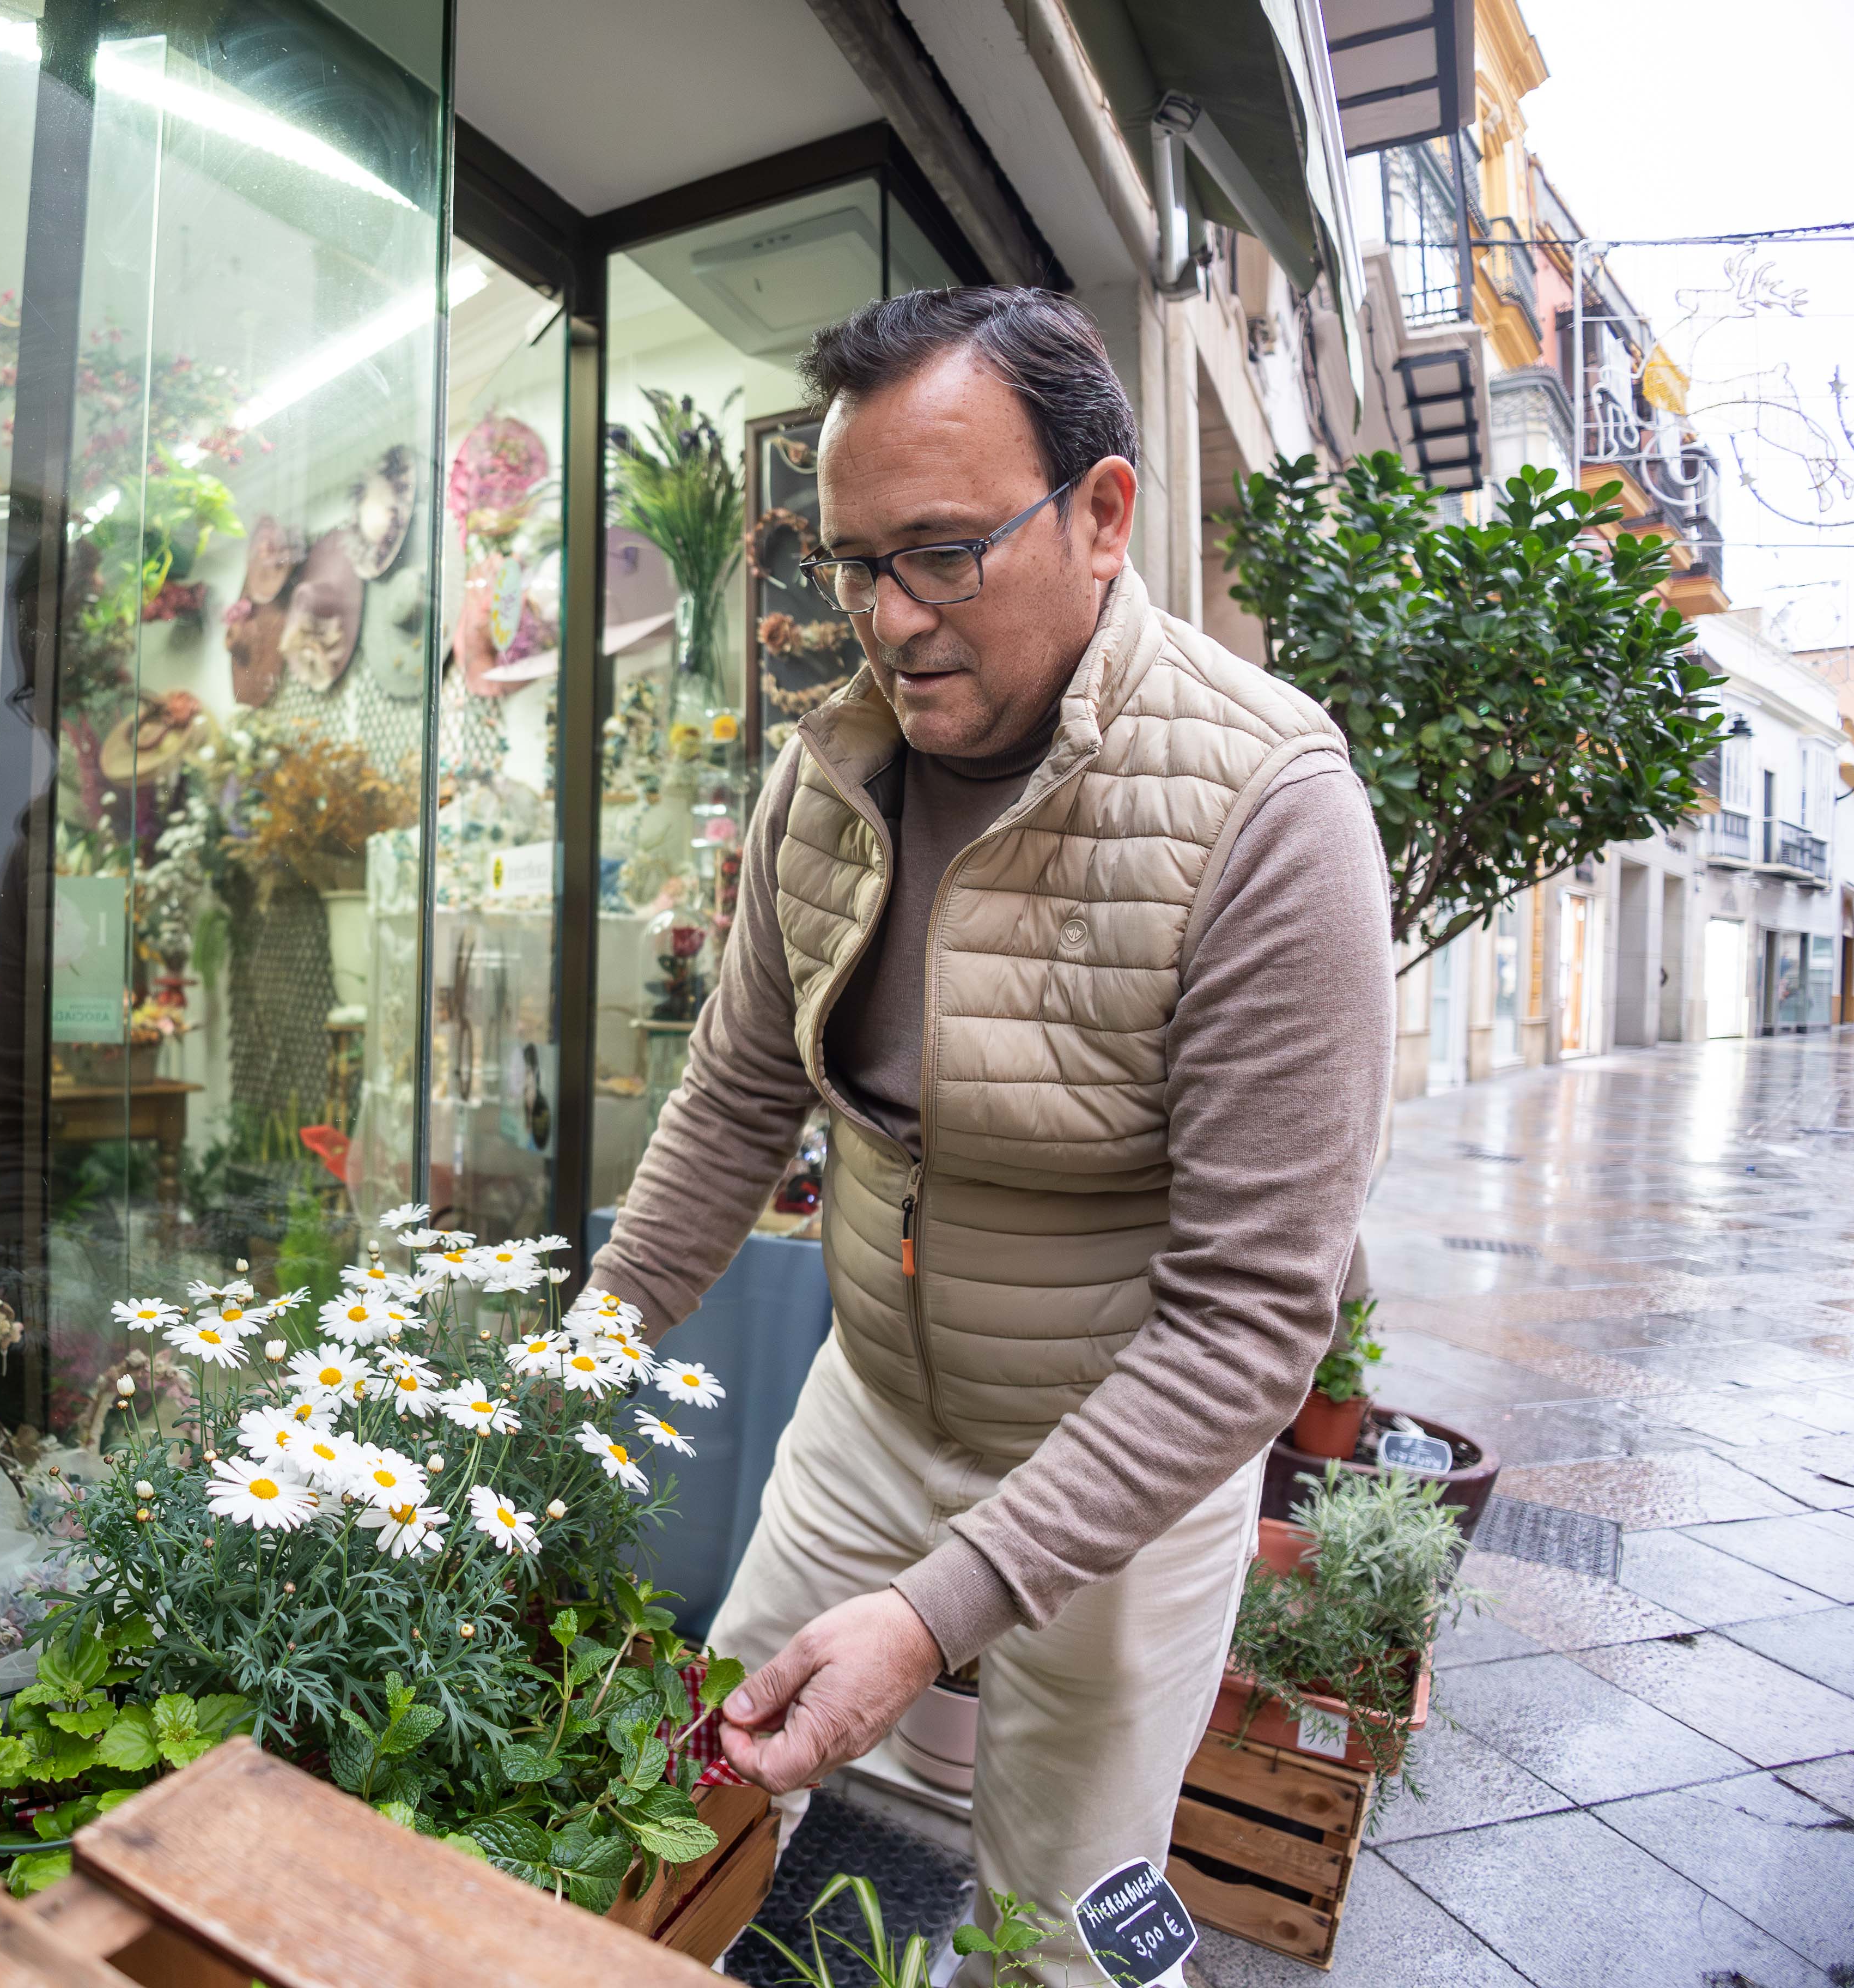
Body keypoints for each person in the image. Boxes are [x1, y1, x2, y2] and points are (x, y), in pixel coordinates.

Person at [575, 289, 1393, 1984]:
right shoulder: (834, 771)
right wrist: (567, 1378)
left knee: (1065, 1925)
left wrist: (945, 1609)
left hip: (1126, 1462)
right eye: (856, 562)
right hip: (875, 1410)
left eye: (944, 553)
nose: (888, 621)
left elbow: (1251, 1325)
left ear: (1104, 516)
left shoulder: (1269, 813)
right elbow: (735, 1100)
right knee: (702, 1791)